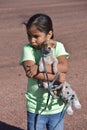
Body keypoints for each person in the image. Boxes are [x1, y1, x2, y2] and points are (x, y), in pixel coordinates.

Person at [20, 13, 69, 130]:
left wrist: (40, 68)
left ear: (49, 34)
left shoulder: (58, 46)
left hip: (56, 105)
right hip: (35, 107)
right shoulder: (28, 49)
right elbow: (30, 73)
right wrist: (56, 77)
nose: (32, 40)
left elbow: (64, 67)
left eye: (36, 36)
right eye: (29, 35)